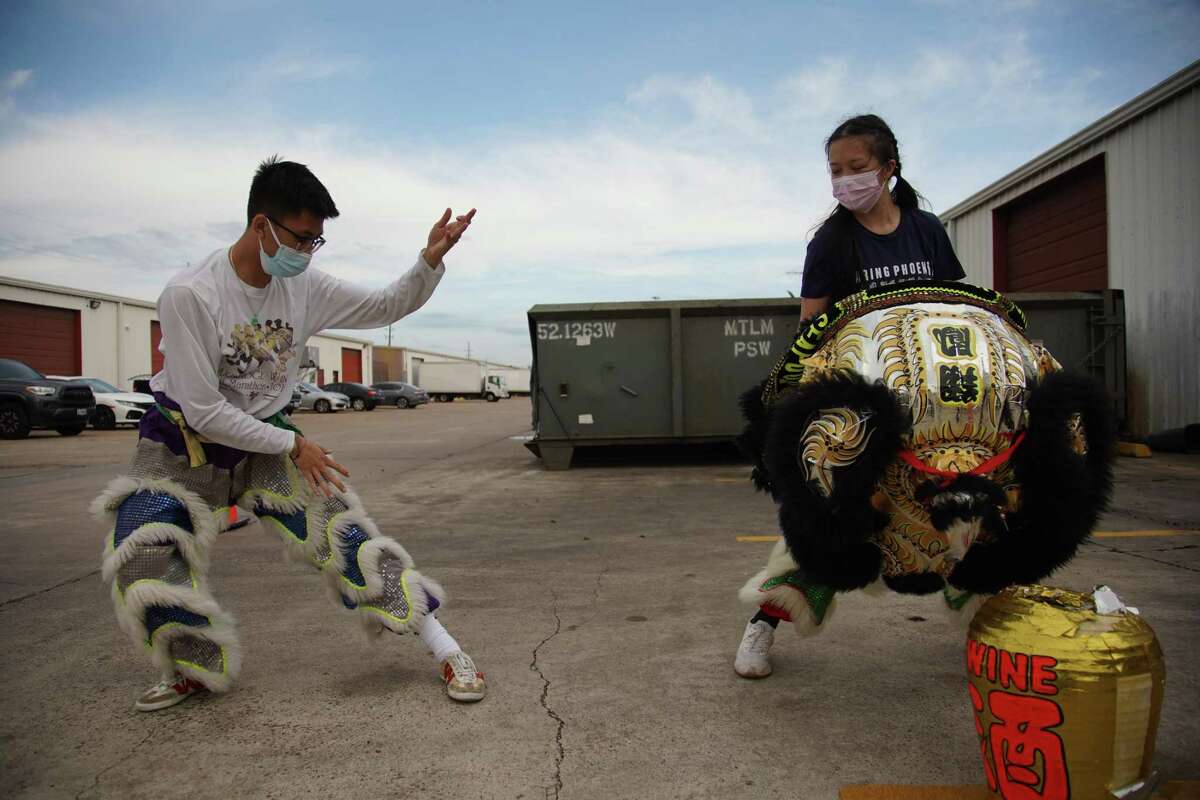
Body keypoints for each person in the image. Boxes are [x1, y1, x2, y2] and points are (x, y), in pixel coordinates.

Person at [92, 157, 485, 710]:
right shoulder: (191, 295)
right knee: (144, 552)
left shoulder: (303, 287)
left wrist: (427, 262)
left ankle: (447, 649)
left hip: (266, 438)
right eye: (301, 238)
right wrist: (295, 445)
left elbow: (384, 304)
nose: (307, 253)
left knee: (345, 535)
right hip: (184, 441)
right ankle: (191, 668)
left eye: (316, 242)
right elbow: (203, 409)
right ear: (262, 226)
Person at [734, 114, 966, 679]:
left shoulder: (927, 229)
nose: (844, 180)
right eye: (835, 171)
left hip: (932, 403)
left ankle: (991, 622)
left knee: (968, 513)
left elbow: (959, 306)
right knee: (827, 518)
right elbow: (811, 331)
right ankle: (764, 623)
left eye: (856, 168)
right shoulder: (831, 243)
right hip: (861, 409)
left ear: (888, 169)